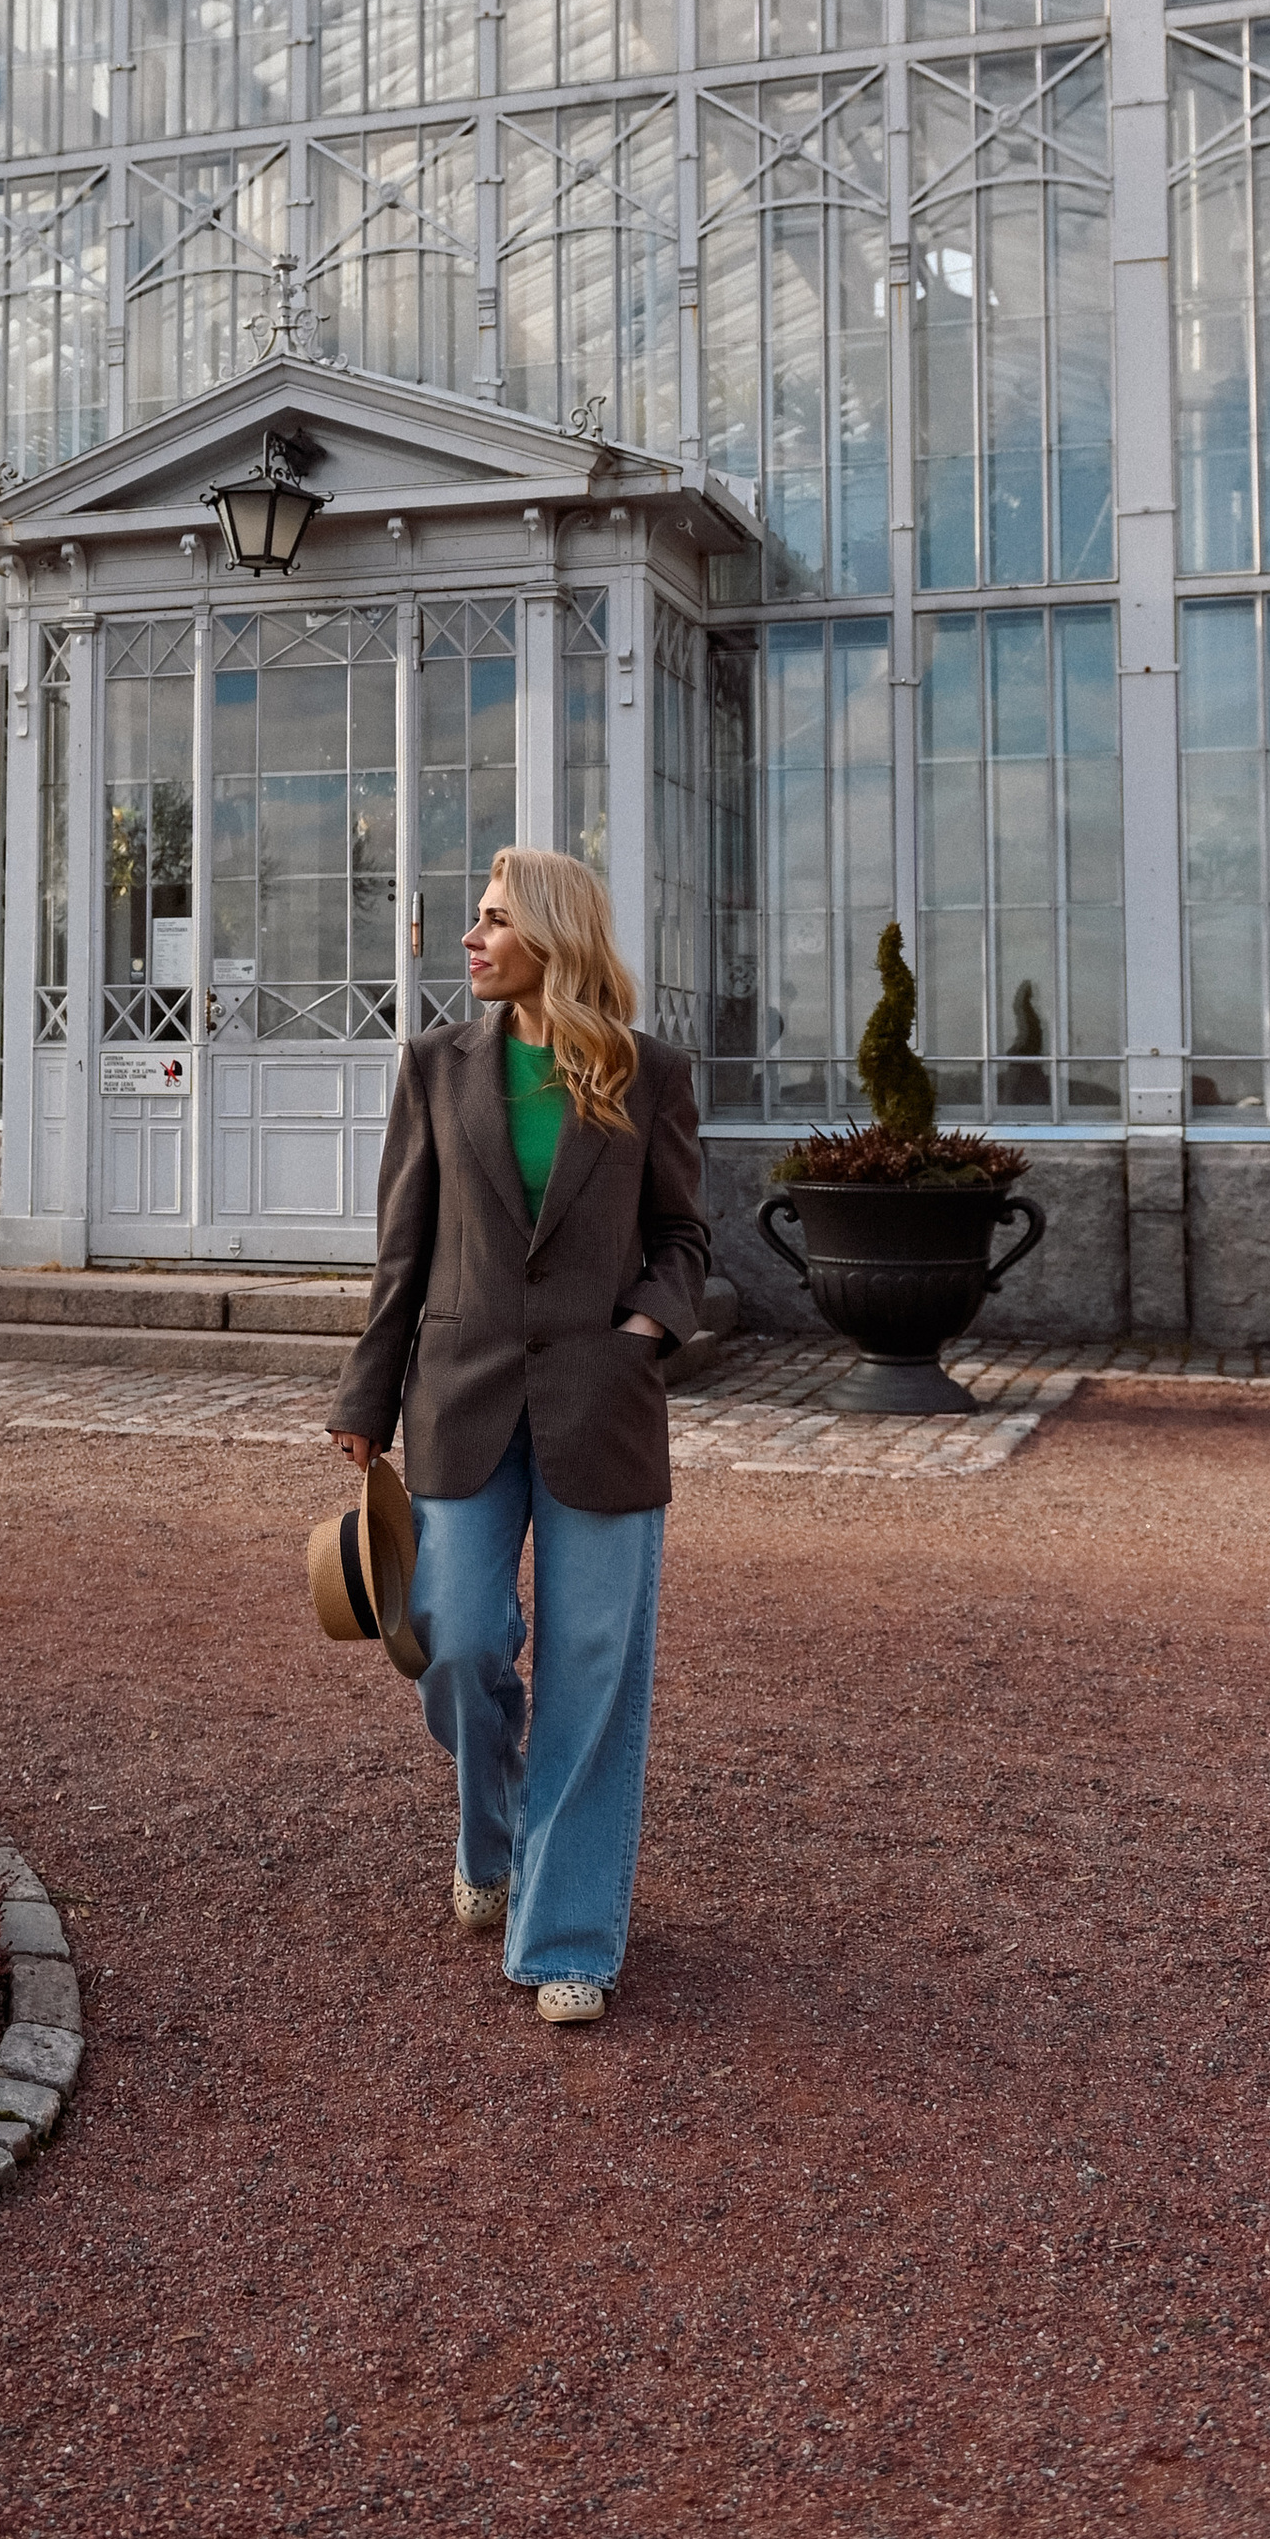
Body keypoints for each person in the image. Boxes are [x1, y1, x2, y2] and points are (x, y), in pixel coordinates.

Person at [327, 846, 708, 2025]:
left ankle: (568, 1937)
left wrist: (645, 1326)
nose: (471, 938)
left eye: (493, 919)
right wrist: (365, 1399)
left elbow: (684, 1237)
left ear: (553, 934)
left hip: (603, 1403)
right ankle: (489, 1823)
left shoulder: (648, 1074)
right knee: (453, 1638)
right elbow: (402, 1250)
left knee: (592, 1669)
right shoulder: (434, 1065)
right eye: (477, 919)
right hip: (462, 1394)